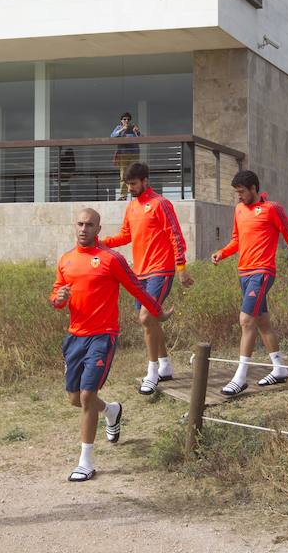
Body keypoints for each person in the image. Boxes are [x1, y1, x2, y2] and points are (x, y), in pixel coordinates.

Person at [50, 208, 172, 482]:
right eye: (80, 224)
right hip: (74, 337)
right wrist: (59, 297)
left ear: (98, 228)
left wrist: (157, 311)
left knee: (86, 396)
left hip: (103, 336)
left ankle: (86, 461)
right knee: (74, 398)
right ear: (75, 226)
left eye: (89, 225)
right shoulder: (66, 260)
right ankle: (112, 411)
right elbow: (56, 299)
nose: (84, 229)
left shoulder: (110, 259)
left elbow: (137, 288)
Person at [211, 170, 288, 396]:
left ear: (253, 189)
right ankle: (279, 368)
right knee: (262, 322)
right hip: (244, 273)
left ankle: (240, 377)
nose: (238, 197)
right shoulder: (239, 210)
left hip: (263, 272)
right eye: (236, 193)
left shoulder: (272, 209)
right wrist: (223, 252)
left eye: (241, 192)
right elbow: (237, 240)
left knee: (246, 320)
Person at [101, 162, 192, 396]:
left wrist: (181, 268)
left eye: (133, 184)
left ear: (145, 181)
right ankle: (165, 365)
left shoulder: (161, 204)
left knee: (145, 317)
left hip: (161, 270)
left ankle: (151, 373)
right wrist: (101, 243)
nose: (130, 188)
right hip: (139, 273)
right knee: (150, 321)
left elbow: (175, 236)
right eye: (127, 184)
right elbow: (125, 235)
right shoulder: (132, 207)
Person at [110, 112, 141, 200]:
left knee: (135, 174)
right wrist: (122, 130)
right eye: (124, 119)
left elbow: (141, 138)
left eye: (128, 119)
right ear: (121, 120)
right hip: (123, 154)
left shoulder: (133, 128)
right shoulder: (119, 128)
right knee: (123, 174)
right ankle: (123, 196)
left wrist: (137, 132)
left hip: (134, 153)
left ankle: (137, 195)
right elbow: (112, 136)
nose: (126, 121)